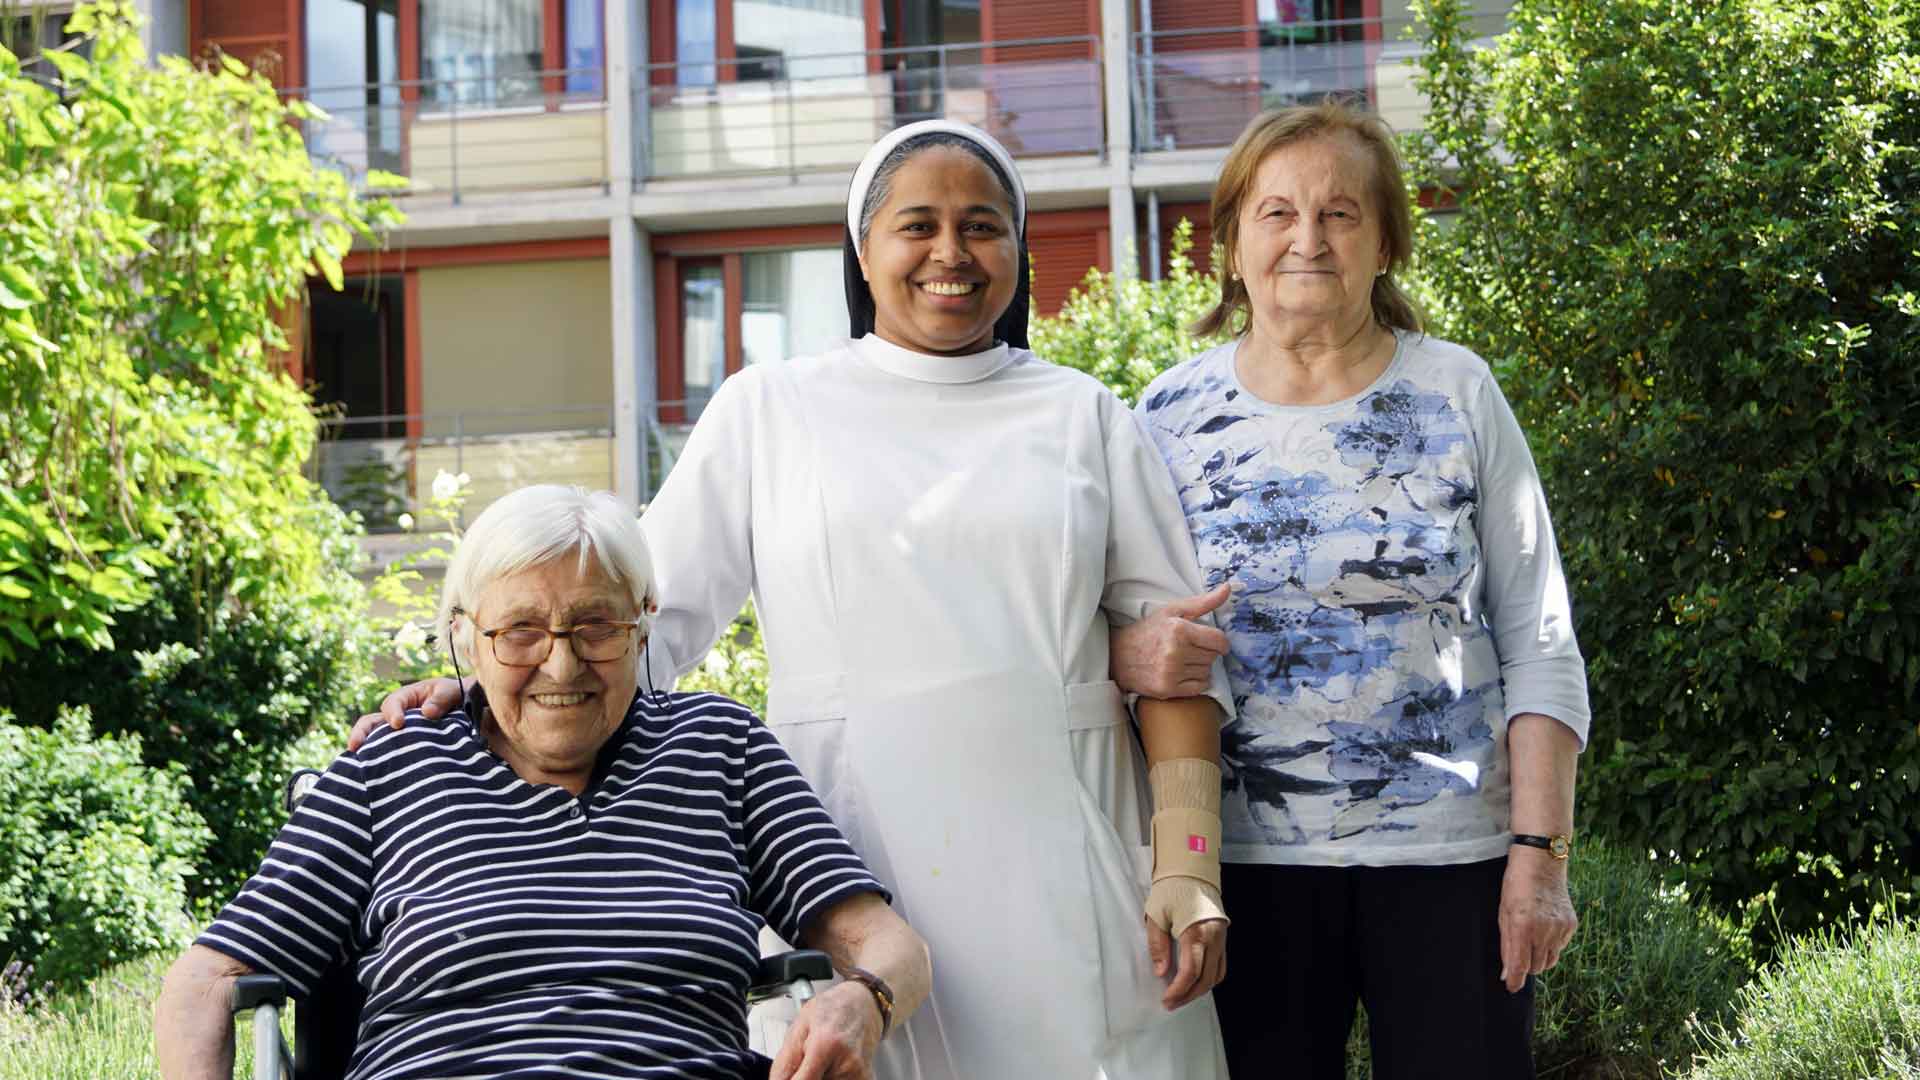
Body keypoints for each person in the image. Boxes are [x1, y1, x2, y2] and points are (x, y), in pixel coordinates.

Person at [352, 120, 1234, 1080]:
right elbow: (632, 625)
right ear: (862, 250)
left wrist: (1187, 865)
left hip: (1071, 860)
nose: (952, 253)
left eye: (983, 226)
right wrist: (482, 689)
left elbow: (1179, 664)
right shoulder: (769, 409)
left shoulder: (1085, 415)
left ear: (1018, 249)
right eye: (918, 225)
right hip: (845, 862)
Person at [1116, 101, 1591, 1079]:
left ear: (1384, 245)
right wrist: (1131, 655)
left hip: (1452, 863)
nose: (1308, 238)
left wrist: (1538, 857)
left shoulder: (1457, 393)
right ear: (1234, 244)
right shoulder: (1163, 415)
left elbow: (1539, 636)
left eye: (1340, 214)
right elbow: (1115, 631)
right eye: (1277, 212)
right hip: (1240, 872)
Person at [156, 484, 930, 1080]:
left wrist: (865, 1000)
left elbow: (887, 945)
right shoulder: (390, 765)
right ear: (466, 634)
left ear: (643, 622)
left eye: (596, 626)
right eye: (520, 630)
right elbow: (208, 979)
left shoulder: (718, 749)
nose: (561, 665)